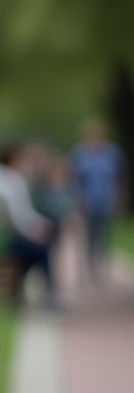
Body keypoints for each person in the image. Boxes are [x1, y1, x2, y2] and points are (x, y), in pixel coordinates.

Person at [0, 144, 55, 303]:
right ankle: (48, 294)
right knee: (40, 249)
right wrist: (37, 232)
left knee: (31, 248)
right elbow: (17, 220)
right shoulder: (11, 178)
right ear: (13, 160)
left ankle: (20, 292)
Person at [70, 118, 127, 279]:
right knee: (88, 235)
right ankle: (88, 267)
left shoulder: (113, 153)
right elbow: (72, 180)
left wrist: (120, 199)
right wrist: (77, 201)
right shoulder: (78, 153)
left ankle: (102, 266)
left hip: (106, 200)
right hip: (86, 202)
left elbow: (120, 178)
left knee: (105, 235)